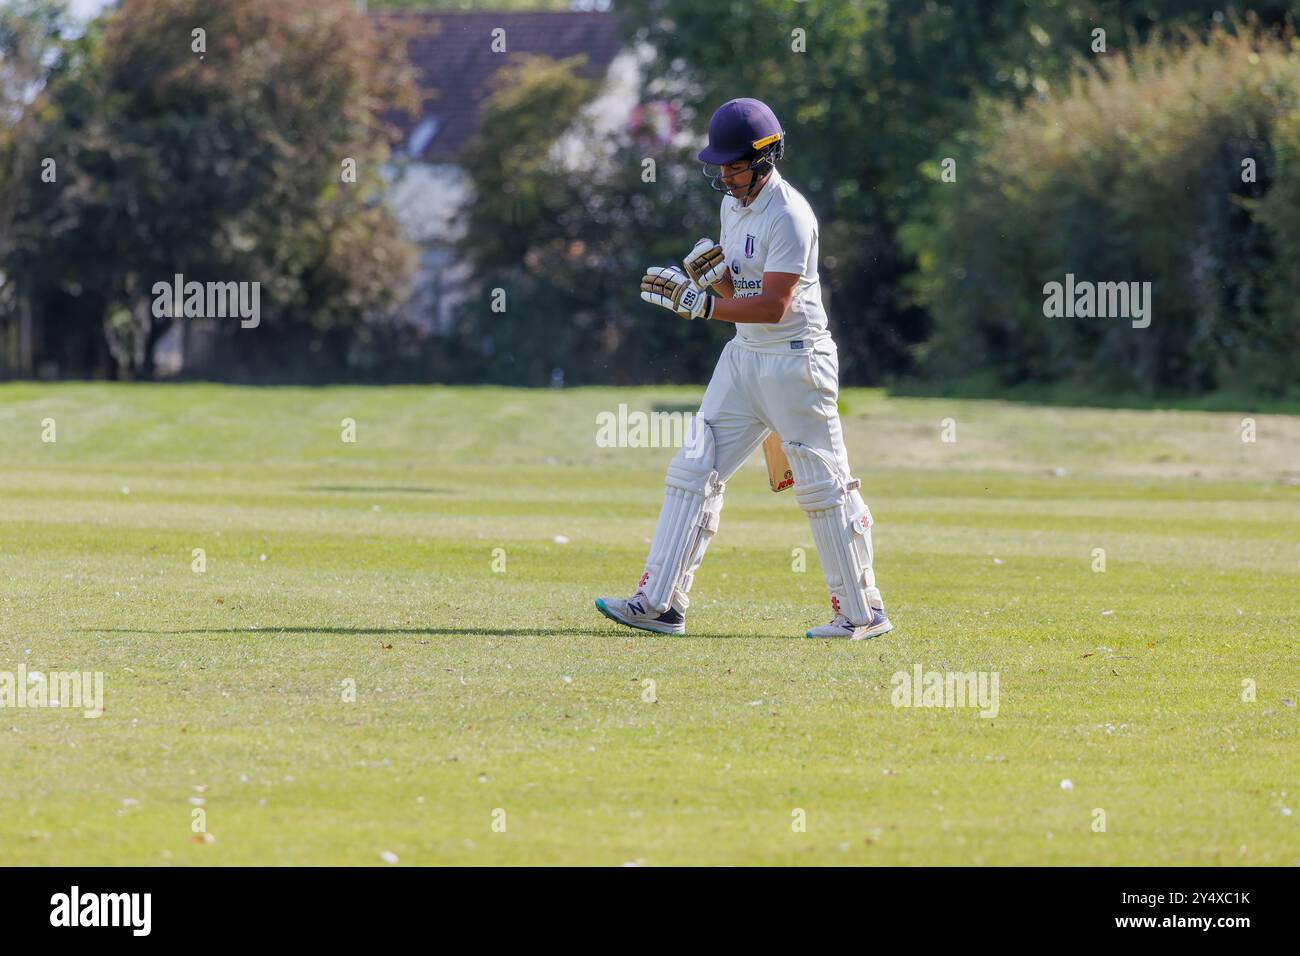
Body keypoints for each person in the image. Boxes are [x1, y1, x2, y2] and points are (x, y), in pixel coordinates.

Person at [594, 97, 891, 641]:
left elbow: (775, 305)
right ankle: (660, 602)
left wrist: (700, 304)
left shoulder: (790, 215)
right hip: (744, 353)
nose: (726, 176)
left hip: (796, 361)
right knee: (693, 468)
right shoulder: (733, 206)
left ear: (766, 157)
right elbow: (744, 295)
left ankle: (861, 613)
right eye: (721, 167)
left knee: (822, 489)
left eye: (735, 165)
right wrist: (713, 282)